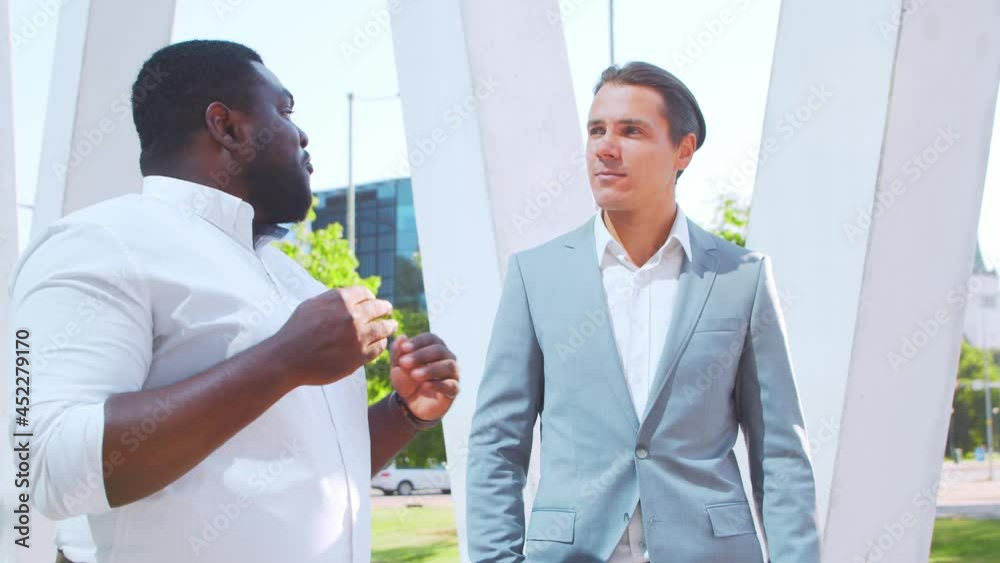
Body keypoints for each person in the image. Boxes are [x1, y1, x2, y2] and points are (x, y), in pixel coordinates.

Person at [8, 39, 460, 563]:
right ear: (226, 128)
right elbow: (44, 464)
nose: (303, 134)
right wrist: (286, 360)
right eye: (286, 112)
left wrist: (406, 412)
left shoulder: (297, 280)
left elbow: (311, 471)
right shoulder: (101, 241)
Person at [466, 61, 820, 562]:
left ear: (683, 150)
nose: (606, 147)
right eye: (596, 130)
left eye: (631, 131)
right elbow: (497, 445)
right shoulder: (534, 276)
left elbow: (780, 454)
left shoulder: (742, 277)